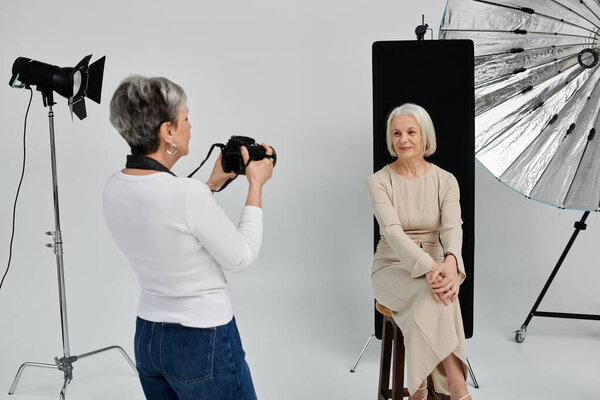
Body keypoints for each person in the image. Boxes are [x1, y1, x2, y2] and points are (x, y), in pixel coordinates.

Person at [103, 75, 274, 400]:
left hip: (149, 338)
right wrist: (256, 184)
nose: (190, 126)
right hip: (201, 339)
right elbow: (242, 257)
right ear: (167, 131)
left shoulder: (113, 187)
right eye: (185, 118)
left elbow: (163, 217)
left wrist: (209, 185)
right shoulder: (186, 195)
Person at [366, 103, 471, 400]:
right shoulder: (378, 181)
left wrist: (451, 263)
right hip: (391, 268)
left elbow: (452, 227)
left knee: (440, 291)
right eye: (397, 133)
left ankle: (420, 388)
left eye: (411, 132)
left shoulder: (446, 180)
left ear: (425, 136)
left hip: (439, 267)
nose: (403, 140)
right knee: (436, 294)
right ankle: (458, 389)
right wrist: (430, 268)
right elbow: (392, 232)